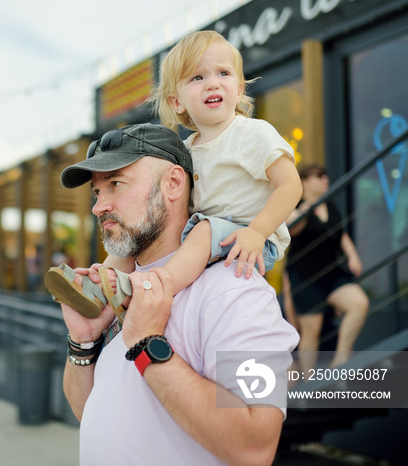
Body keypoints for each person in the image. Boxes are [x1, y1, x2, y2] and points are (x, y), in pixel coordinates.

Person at [56, 123, 299, 464]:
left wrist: (146, 344)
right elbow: (89, 412)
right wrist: (83, 341)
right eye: (97, 193)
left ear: (172, 183)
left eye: (115, 184)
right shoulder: (118, 289)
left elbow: (255, 446)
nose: (99, 207)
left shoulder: (235, 289)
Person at [45, 30, 302, 321]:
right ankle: (99, 284)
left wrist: (257, 232)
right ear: (177, 102)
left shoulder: (251, 133)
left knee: (205, 231)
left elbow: (290, 186)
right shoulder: (188, 148)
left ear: (240, 89)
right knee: (136, 234)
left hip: (248, 238)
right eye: (197, 78)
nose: (212, 83)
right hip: (198, 234)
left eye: (223, 73)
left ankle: (149, 289)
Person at [285, 164, 369, 371]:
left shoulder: (330, 206)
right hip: (306, 279)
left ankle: (339, 363)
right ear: (304, 182)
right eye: (319, 176)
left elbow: (341, 235)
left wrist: (353, 256)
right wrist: (304, 212)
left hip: (333, 276)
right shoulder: (296, 206)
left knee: (359, 303)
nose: (325, 179)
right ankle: (308, 386)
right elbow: (292, 228)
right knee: (310, 335)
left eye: (326, 175)